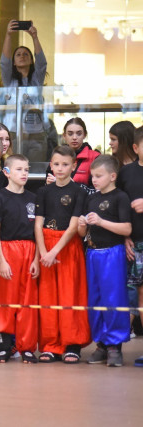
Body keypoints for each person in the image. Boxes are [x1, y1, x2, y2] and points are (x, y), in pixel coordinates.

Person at [36, 145, 91, 363]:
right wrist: (43, 253)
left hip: (68, 247)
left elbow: (74, 225)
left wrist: (54, 251)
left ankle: (72, 344)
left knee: (70, 295)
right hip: (46, 247)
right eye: (56, 164)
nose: (60, 168)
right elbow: (38, 224)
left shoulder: (80, 191)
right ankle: (51, 345)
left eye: (65, 164)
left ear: (74, 166)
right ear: (51, 165)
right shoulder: (43, 191)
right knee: (48, 297)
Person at [79, 155, 131, 367]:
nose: (94, 180)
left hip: (112, 253)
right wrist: (82, 225)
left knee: (113, 298)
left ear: (112, 176)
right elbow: (82, 233)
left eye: (99, 176)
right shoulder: (91, 199)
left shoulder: (120, 197)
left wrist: (101, 221)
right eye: (92, 176)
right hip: (93, 253)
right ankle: (101, 343)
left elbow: (126, 228)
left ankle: (114, 345)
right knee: (95, 299)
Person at [0, 154, 40, 364]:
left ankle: (26, 347)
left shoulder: (33, 198)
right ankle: (4, 347)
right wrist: (1, 260)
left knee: (28, 300)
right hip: (7, 250)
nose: (24, 173)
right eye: (19, 169)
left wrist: (36, 259)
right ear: (7, 172)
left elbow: (38, 232)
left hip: (29, 250)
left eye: (26, 169)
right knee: (5, 299)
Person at [116, 126, 143, 367]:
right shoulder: (126, 173)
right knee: (137, 295)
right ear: (135, 148)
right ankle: (114, 346)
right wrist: (125, 236)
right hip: (135, 243)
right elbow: (120, 207)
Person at [0, 20, 47, 134]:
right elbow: (4, 63)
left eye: (26, 54)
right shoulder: (9, 80)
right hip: (12, 130)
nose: (22, 56)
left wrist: (35, 37)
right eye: (18, 54)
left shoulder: (36, 79)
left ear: (31, 61)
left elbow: (41, 63)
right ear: (14, 62)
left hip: (36, 131)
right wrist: (8, 35)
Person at [46, 118, 99, 190]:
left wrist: (73, 185)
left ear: (84, 135)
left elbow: (98, 189)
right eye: (70, 134)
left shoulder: (95, 157)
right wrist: (49, 185)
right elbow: (48, 184)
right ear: (64, 135)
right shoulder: (56, 156)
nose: (74, 137)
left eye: (79, 134)